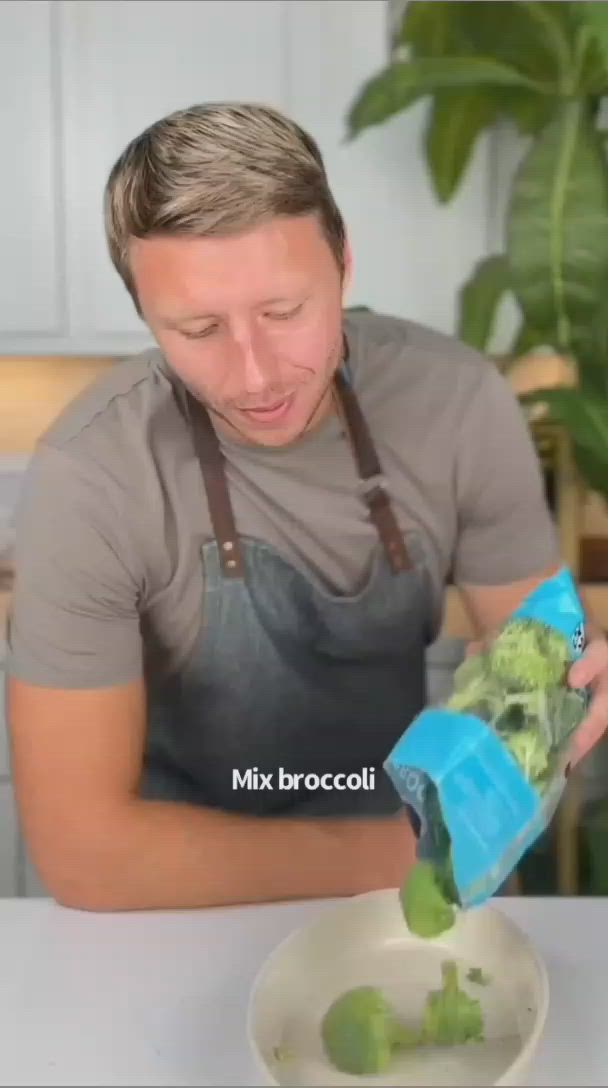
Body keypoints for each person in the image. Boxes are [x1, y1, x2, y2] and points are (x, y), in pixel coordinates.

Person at [5, 102, 608, 913]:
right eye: (199, 327)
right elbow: (86, 854)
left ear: (345, 263)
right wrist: (408, 856)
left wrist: (562, 675)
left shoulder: (457, 401)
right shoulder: (92, 477)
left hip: (407, 888)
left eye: (284, 313)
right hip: (172, 902)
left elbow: (539, 647)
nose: (254, 375)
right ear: (145, 314)